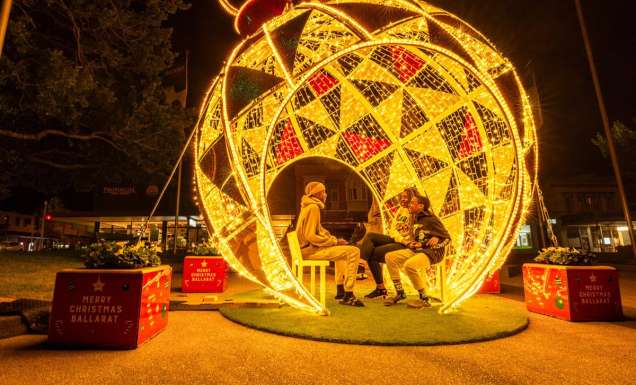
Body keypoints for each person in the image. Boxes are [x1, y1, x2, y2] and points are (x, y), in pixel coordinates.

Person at [295, 181, 364, 307]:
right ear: (317, 193)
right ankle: (349, 295)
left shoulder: (307, 207)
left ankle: (340, 290)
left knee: (341, 251)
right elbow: (311, 236)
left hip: (304, 250)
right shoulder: (313, 208)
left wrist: (333, 241)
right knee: (354, 251)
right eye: (324, 191)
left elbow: (319, 231)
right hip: (309, 252)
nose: (326, 194)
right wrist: (334, 241)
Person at [384, 193, 451, 308]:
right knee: (390, 257)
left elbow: (448, 238)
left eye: (412, 203)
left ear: (421, 206)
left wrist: (438, 239)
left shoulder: (431, 219)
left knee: (409, 265)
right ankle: (400, 293)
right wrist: (416, 243)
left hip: (432, 252)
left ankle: (424, 299)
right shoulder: (415, 218)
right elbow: (421, 235)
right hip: (418, 250)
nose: (409, 204)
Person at [357, 189, 414, 299]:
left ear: (412, 198)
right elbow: (393, 230)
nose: (402, 199)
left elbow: (412, 233)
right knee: (370, 236)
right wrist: (397, 238)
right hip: (396, 239)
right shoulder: (401, 210)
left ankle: (380, 288)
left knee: (372, 254)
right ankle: (362, 263)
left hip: (405, 243)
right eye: (401, 196)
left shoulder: (414, 213)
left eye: (406, 197)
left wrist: (403, 240)